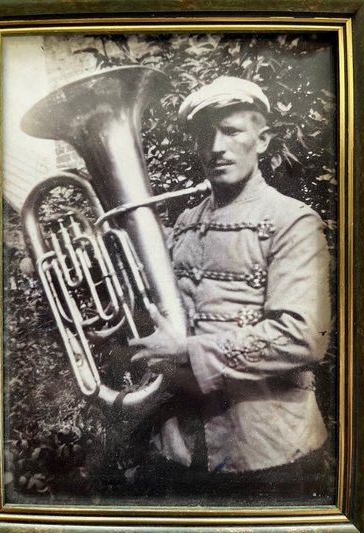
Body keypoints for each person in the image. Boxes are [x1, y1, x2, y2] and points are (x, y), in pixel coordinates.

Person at [129, 77, 332, 501]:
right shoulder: (185, 222)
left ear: (263, 140)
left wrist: (188, 350)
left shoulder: (293, 220)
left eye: (232, 131)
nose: (217, 147)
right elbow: (162, 322)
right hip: (182, 443)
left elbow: (302, 338)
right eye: (206, 134)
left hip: (268, 450)